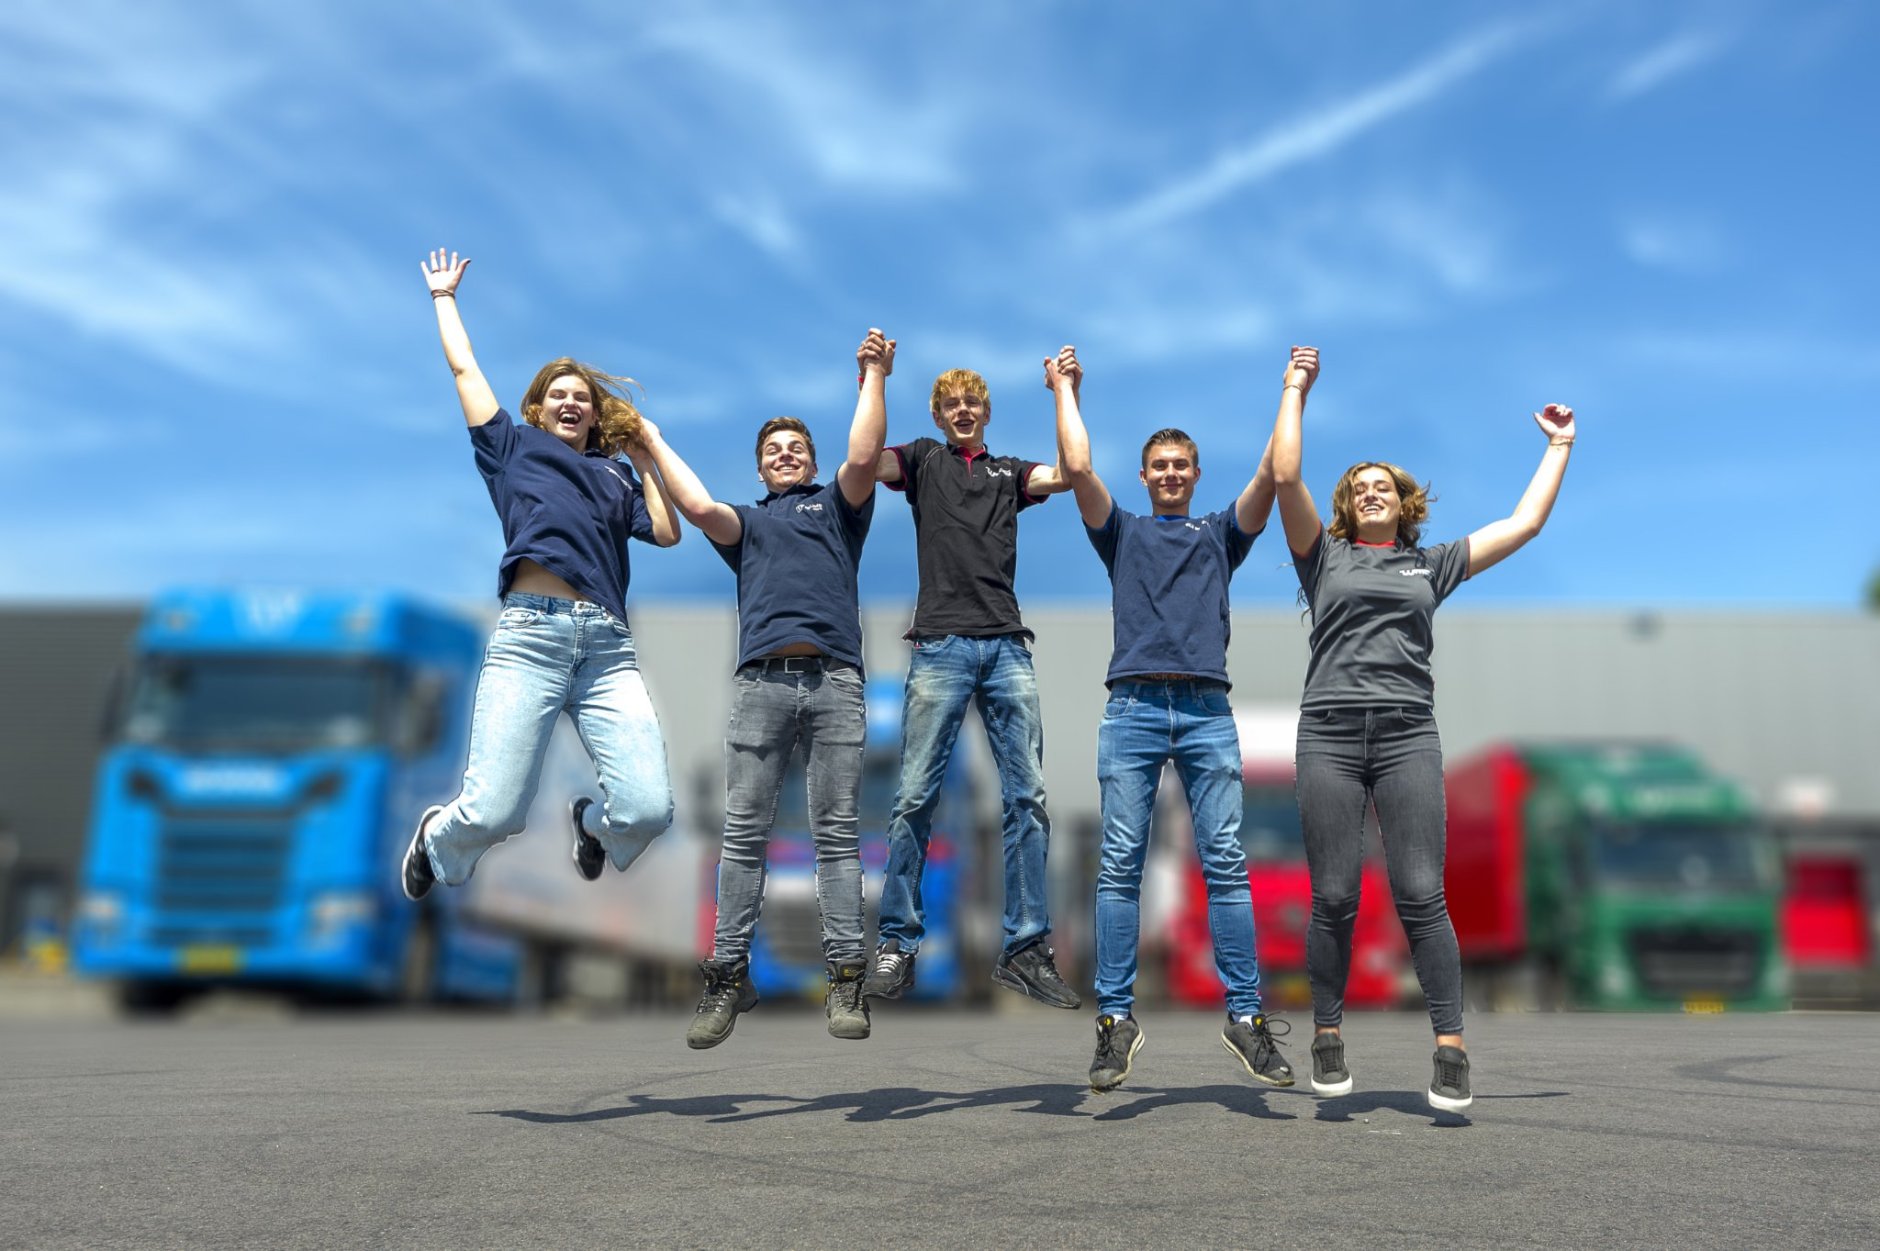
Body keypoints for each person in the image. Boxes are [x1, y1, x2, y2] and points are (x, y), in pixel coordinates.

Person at [1269, 345, 1576, 1112]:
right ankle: (1328, 1033)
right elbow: (1282, 477)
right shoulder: (1323, 556)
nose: (1372, 493)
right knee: (1334, 894)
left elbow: (1526, 523)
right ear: (1347, 505)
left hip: (1408, 733)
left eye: (1385, 488)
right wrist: (1294, 389)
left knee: (1418, 891)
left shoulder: (1430, 565)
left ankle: (1450, 1045)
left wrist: (1559, 446)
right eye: (1360, 488)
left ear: (1405, 504)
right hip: (1331, 735)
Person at [636, 329, 895, 1048]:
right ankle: (727, 976)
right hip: (760, 687)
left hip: (837, 682)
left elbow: (866, 456)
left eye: (796, 448)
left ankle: (847, 981)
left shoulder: (838, 510)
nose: (786, 454)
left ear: (810, 462)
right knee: (743, 835)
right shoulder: (746, 526)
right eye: (773, 450)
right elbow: (693, 505)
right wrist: (651, 439)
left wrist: (873, 375)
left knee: (836, 836)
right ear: (760, 467)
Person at [400, 249, 681, 906]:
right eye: (558, 394)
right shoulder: (509, 447)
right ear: (537, 406)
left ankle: (590, 825)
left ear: (593, 415)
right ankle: (438, 840)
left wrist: (644, 460)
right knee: (494, 812)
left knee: (648, 808)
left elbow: (667, 532)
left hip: (607, 649)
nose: (571, 402)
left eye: (581, 397)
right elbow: (464, 366)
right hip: (529, 637)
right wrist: (444, 298)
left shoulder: (614, 474)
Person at [1048, 344, 1294, 1092]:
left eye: (1181, 465)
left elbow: (1274, 474)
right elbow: (1080, 471)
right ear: (1146, 476)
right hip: (1132, 708)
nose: (1170, 474)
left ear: (1194, 475)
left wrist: (1293, 387)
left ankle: (1246, 1018)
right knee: (1120, 861)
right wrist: (1066, 389)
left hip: (1207, 710)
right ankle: (1115, 1021)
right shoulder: (1119, 532)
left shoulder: (1220, 535)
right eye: (1158, 465)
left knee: (1223, 862)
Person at [864, 361, 1079, 1009]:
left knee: (1029, 798)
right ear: (936, 415)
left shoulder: (1009, 473)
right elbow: (861, 459)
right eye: (950, 403)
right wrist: (873, 379)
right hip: (940, 647)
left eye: (971, 402)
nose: (961, 410)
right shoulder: (924, 461)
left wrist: (1064, 391)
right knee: (913, 797)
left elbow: (1074, 472)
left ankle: (1025, 947)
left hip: (1007, 645)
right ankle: (898, 942)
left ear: (985, 412)